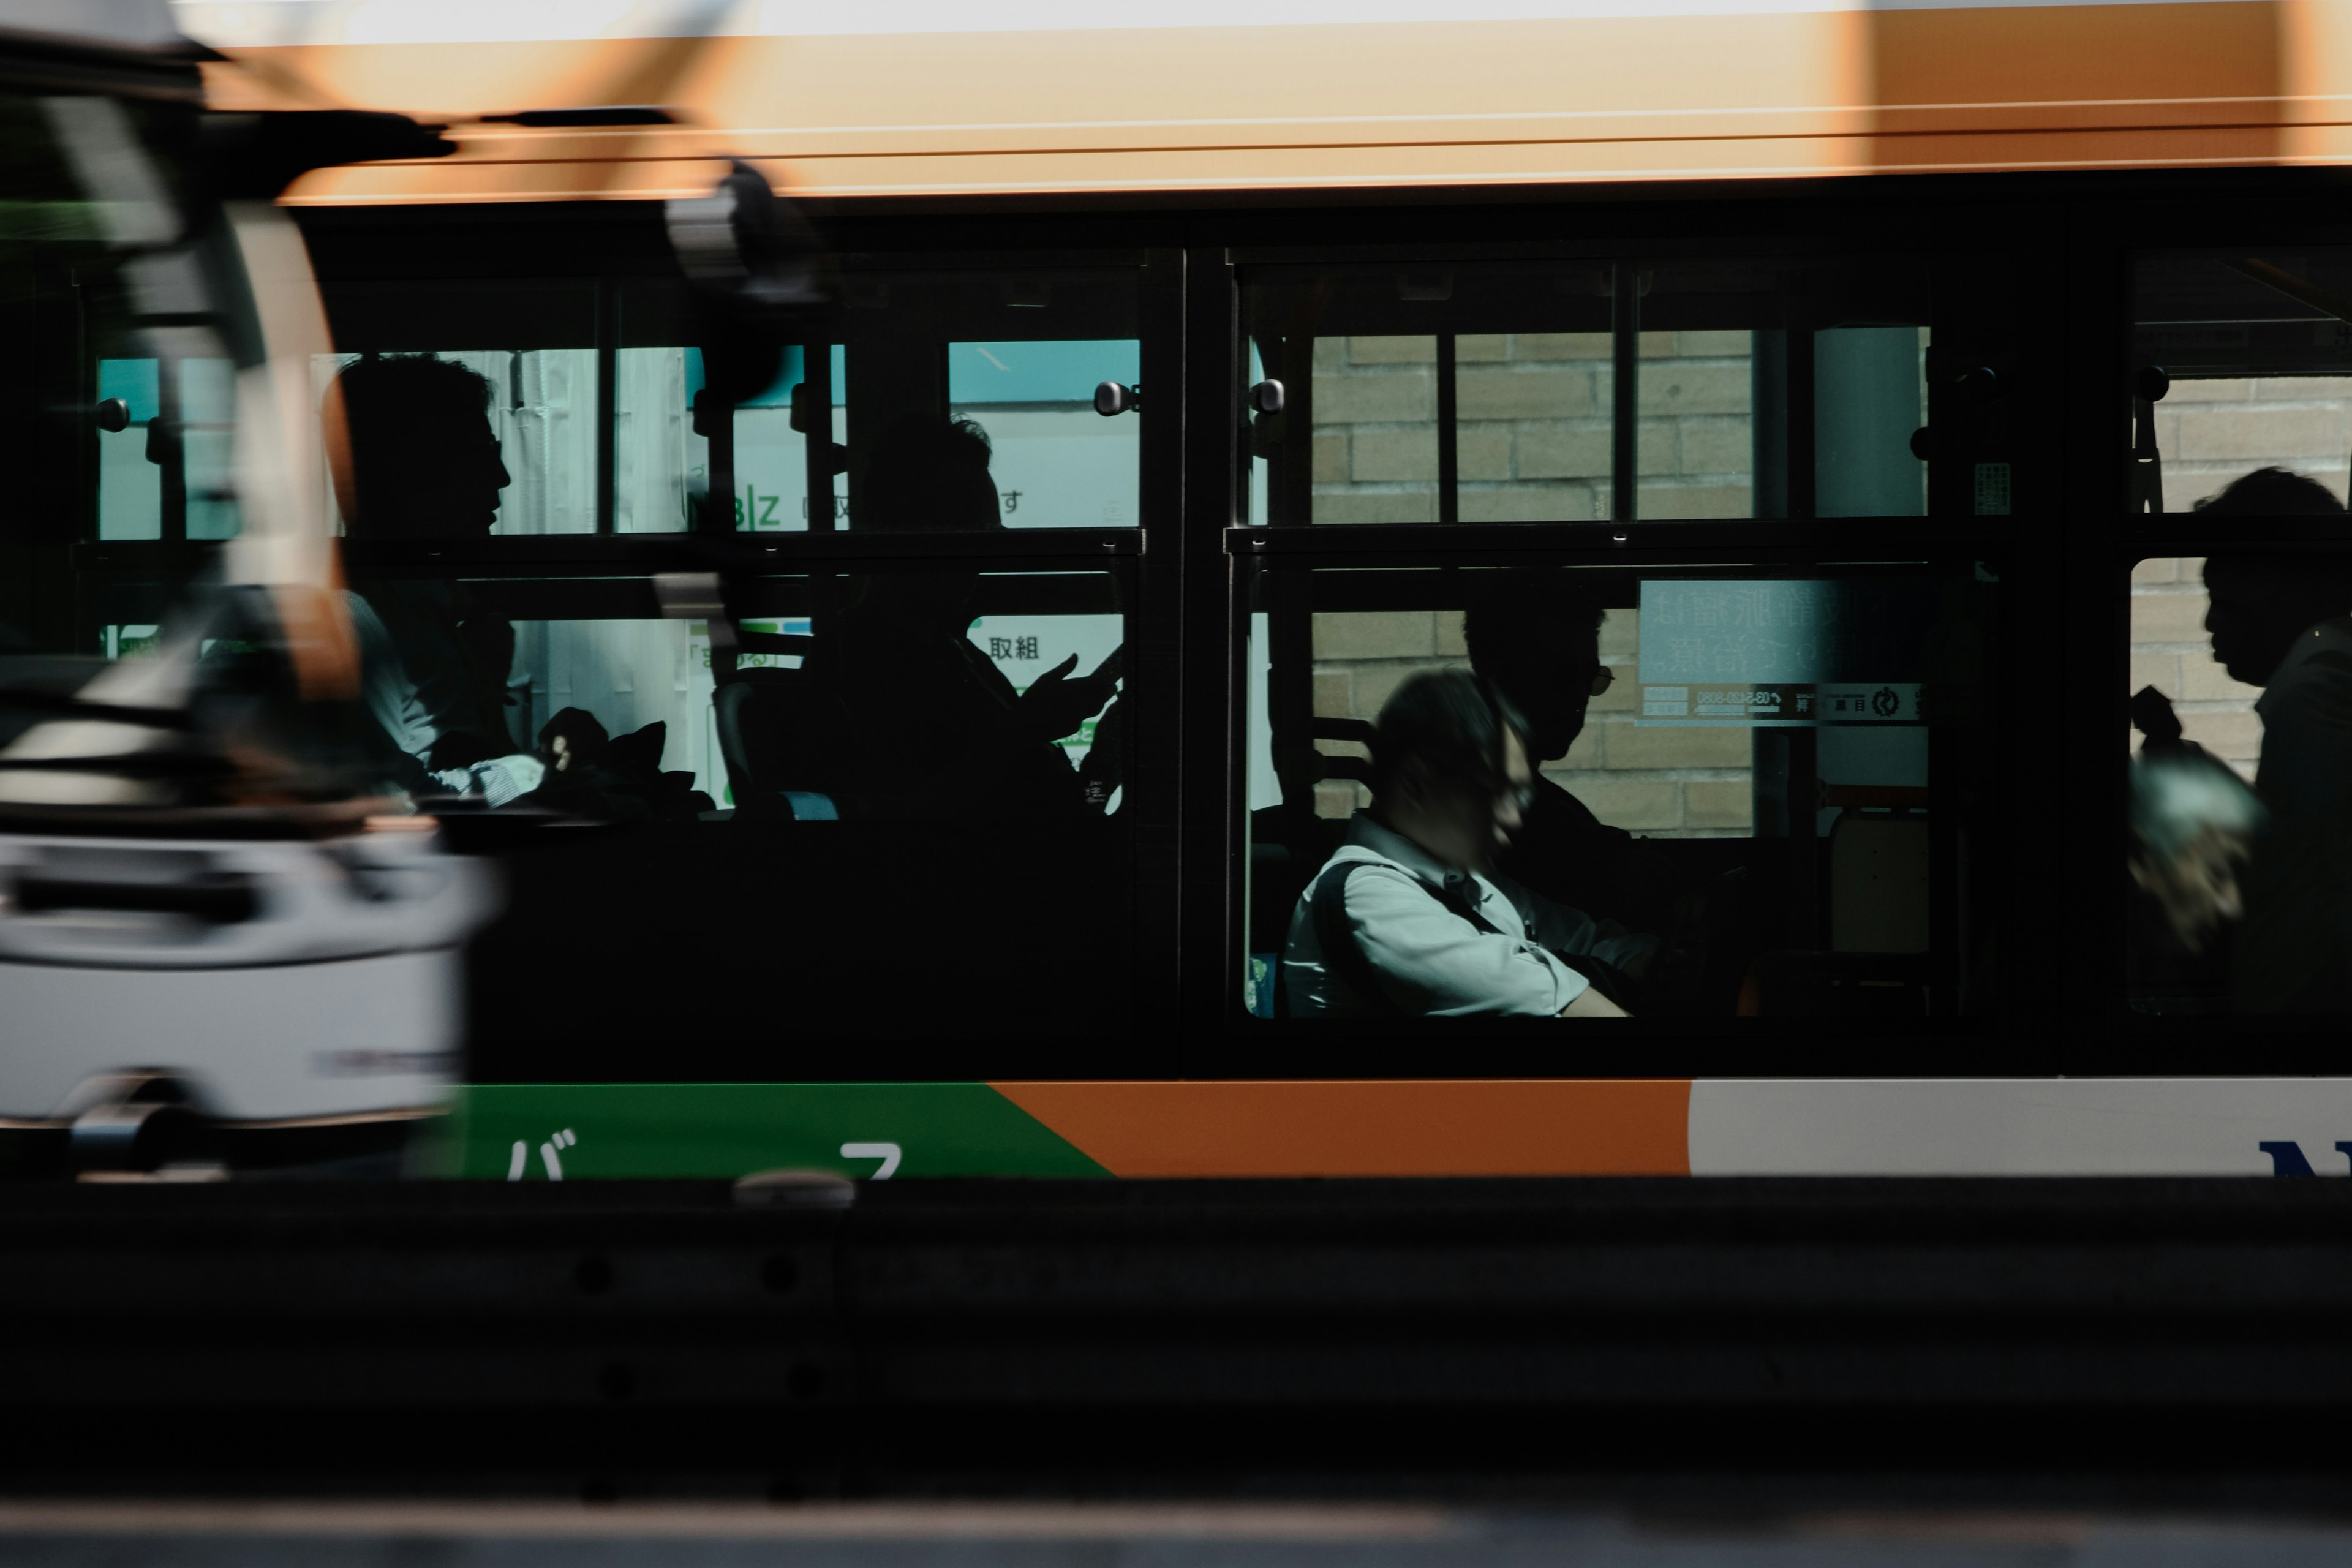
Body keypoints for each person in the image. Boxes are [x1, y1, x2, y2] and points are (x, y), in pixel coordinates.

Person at [801, 414, 1122, 818]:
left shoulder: (956, 655)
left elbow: (1078, 809)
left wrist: (1103, 764)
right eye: (970, 530)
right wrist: (1021, 733)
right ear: (903, 531)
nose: (983, 557)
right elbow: (900, 827)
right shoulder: (857, 663)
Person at [1280, 669, 1635, 1019]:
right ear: (1416, 784)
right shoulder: (1370, 900)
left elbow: (1590, 940)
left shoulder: (1469, 884)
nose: (1513, 817)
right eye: (1495, 792)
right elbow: (1554, 1000)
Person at [325, 353, 542, 807]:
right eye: (481, 457)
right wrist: (541, 770)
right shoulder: (357, 618)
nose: (500, 479)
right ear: (413, 474)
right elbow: (398, 802)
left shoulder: (437, 607)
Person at [2195, 467, 2352, 1010]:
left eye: (2221, 595)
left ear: (2267, 579)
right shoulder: (2328, 666)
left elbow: (2322, 883)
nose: (2210, 622)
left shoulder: (2311, 690)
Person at [1460, 567, 1672, 935]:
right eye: (1557, 675)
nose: (1577, 698)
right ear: (1494, 675)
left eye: (1589, 678)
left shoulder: (1536, 800)